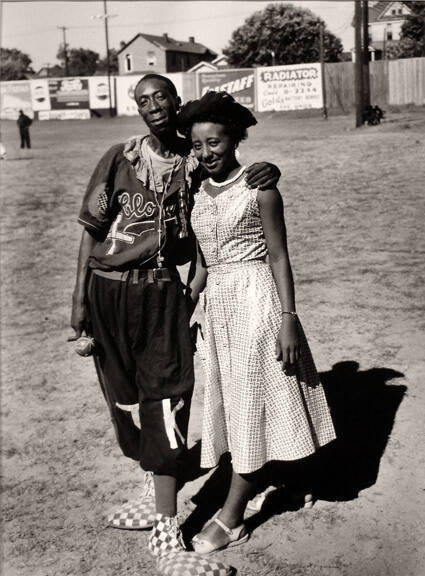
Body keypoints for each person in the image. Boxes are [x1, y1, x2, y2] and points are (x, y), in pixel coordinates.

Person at [70, 74, 280, 575]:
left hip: (163, 291)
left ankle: (166, 532)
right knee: (125, 397)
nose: (152, 105)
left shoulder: (195, 161)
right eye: (142, 100)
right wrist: (77, 298)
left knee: (165, 396)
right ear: (137, 109)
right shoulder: (119, 157)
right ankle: (153, 488)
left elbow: (234, 175)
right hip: (108, 290)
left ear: (175, 101)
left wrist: (268, 171)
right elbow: (91, 231)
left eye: (160, 95)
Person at [179, 91, 337, 554]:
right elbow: (202, 265)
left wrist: (289, 318)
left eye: (216, 142)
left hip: (257, 305)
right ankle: (293, 481)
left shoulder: (261, 187)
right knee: (243, 404)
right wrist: (185, 310)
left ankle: (232, 518)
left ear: (235, 140)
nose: (207, 153)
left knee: (252, 405)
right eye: (198, 144)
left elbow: (280, 257)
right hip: (218, 308)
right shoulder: (195, 190)